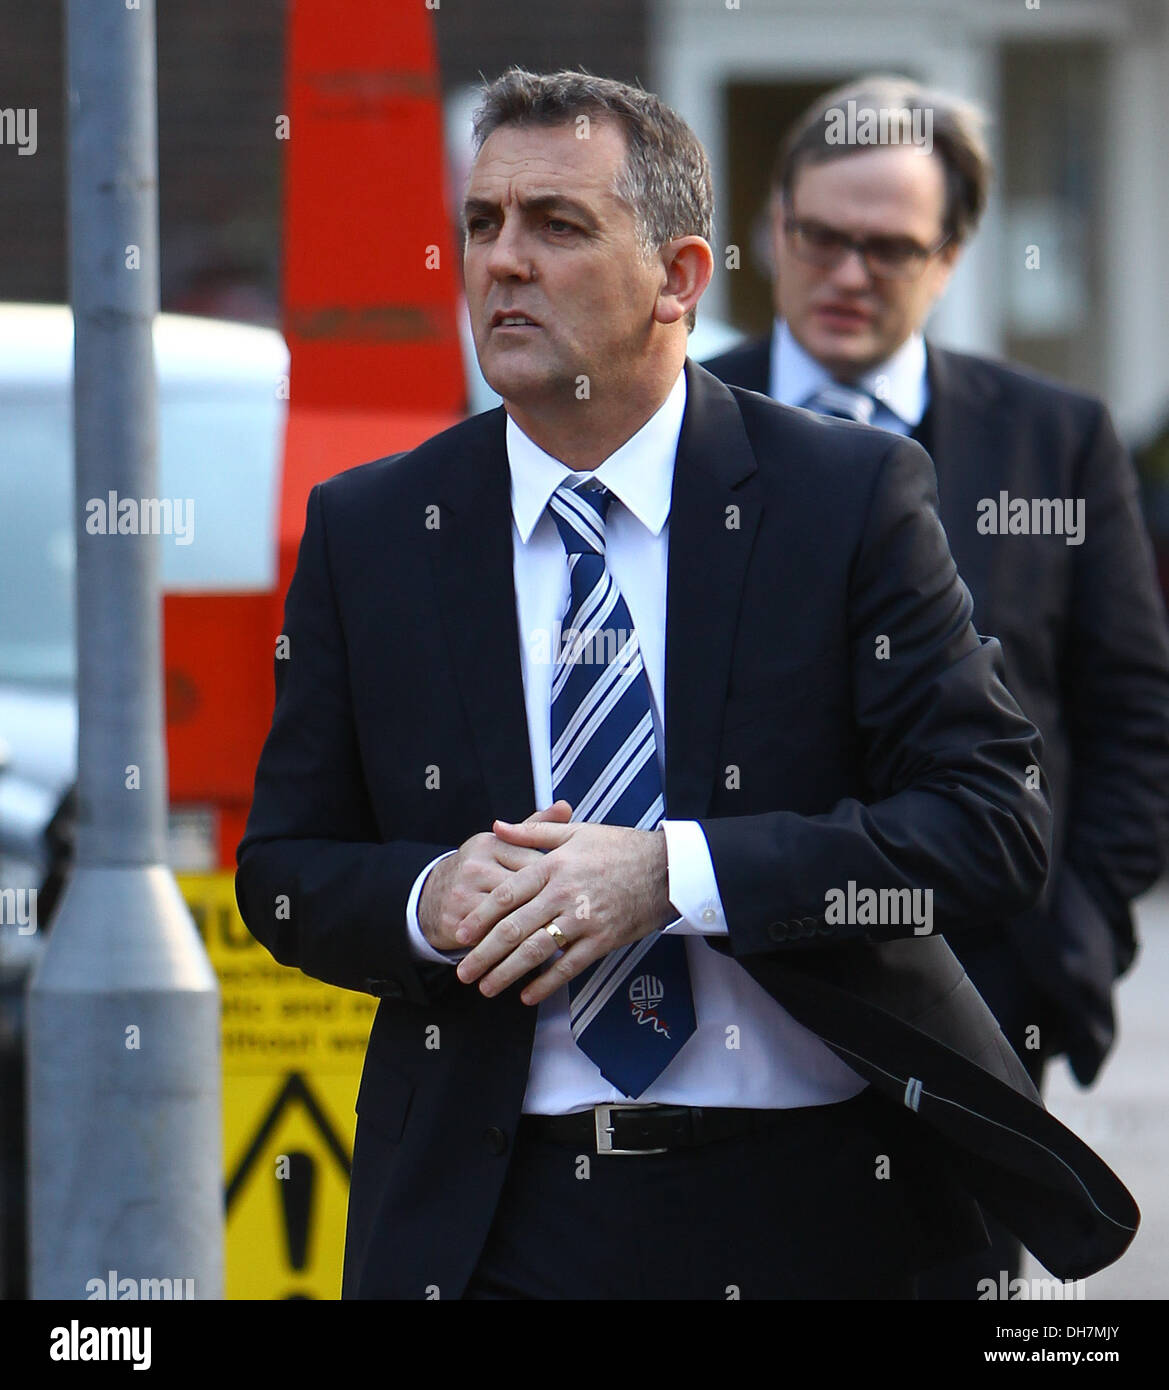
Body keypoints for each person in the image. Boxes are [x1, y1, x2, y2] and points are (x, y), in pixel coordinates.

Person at [236, 68, 1139, 1301]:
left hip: (825, 1208)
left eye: (557, 225)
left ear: (678, 277)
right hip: (500, 1218)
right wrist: (427, 896)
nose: (503, 261)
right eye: (483, 223)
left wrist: (672, 873)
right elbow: (283, 870)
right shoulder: (374, 527)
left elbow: (988, 824)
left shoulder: (845, 500)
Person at [703, 73, 1169, 1295]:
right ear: (769, 227)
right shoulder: (687, 431)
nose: (848, 272)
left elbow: (1133, 717)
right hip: (733, 990)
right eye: (820, 236)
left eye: (890, 245)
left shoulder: (1052, 440)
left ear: (951, 253)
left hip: (978, 1008)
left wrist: (1068, 953)